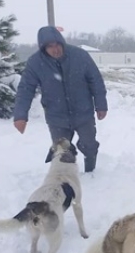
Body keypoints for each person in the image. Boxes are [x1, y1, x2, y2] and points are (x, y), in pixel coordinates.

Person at [13, 26, 108, 173]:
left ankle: (90, 172)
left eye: (57, 44)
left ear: (62, 42)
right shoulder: (35, 63)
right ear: (43, 48)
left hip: (83, 112)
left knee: (89, 145)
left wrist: (101, 105)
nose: (55, 49)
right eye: (50, 46)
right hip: (56, 115)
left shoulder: (80, 56)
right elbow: (25, 89)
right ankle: (66, 177)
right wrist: (20, 116)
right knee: (61, 151)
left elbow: (95, 80)